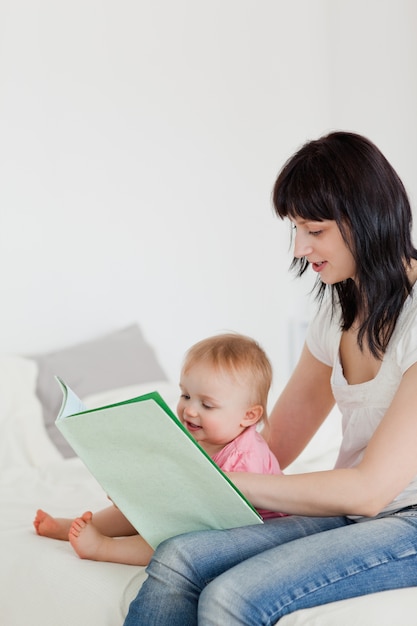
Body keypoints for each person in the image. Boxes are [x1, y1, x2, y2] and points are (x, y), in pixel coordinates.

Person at [122, 130, 417, 626]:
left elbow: (370, 489)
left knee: (233, 597)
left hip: (404, 519)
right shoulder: (337, 313)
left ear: (365, 221)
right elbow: (275, 441)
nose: (300, 248)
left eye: (314, 230)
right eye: (295, 229)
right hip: (356, 513)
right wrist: (174, 477)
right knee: (178, 557)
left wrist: (224, 480)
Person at [34, 332, 285, 566]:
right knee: (132, 511)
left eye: (207, 405)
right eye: (185, 396)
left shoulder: (246, 459)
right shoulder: (201, 434)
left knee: (176, 538)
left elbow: (209, 516)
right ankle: (68, 528)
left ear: (249, 416)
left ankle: (104, 548)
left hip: (246, 536)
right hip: (197, 511)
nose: (190, 410)